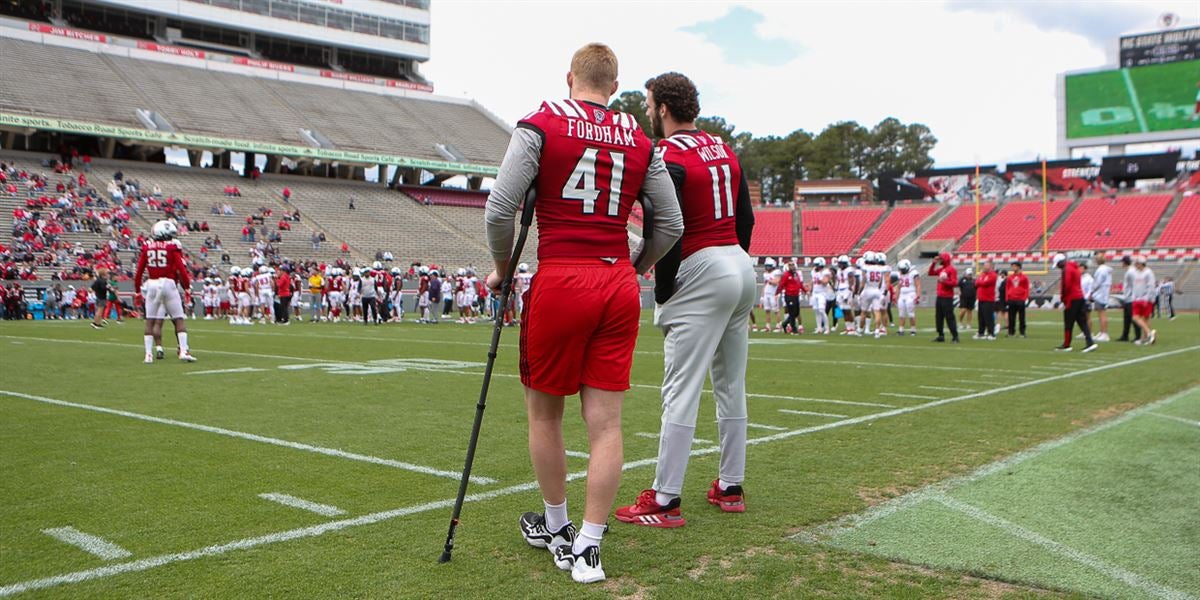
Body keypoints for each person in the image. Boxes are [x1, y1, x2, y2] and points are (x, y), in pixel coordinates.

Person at [484, 43, 682, 584]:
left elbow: (501, 207)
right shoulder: (641, 140)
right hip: (617, 281)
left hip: (562, 276)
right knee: (607, 423)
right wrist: (633, 266)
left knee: (545, 413)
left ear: (570, 77)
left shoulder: (541, 124)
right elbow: (670, 224)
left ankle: (556, 526)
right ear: (614, 88)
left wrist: (502, 268)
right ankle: (589, 547)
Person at [614, 71, 754, 533]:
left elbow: (668, 228)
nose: (648, 111)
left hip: (702, 265)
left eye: (650, 104)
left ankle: (665, 498)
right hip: (738, 262)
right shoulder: (723, 147)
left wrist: (665, 291)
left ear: (664, 108)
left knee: (680, 389)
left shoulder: (667, 155)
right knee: (731, 384)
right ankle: (731, 486)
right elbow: (747, 218)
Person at [134, 220, 195, 362]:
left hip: (151, 284)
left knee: (150, 320)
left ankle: (148, 354)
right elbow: (181, 269)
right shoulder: (172, 247)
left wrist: (137, 291)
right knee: (178, 319)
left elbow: (139, 272)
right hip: (168, 283)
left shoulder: (146, 247)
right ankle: (184, 351)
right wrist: (187, 288)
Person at [1053, 253, 1097, 353]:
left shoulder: (1067, 269)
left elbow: (1066, 285)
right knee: (1082, 321)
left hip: (1072, 298)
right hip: (1079, 297)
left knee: (1068, 322)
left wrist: (1063, 298)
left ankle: (1067, 344)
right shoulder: (1074, 267)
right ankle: (1090, 342)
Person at [928, 252, 958, 342]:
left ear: (945, 259)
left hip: (947, 297)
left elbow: (954, 283)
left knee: (949, 317)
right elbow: (930, 272)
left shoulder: (951, 270)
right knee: (939, 317)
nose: (939, 260)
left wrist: (944, 281)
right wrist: (933, 263)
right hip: (940, 296)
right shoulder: (942, 269)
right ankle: (941, 335)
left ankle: (955, 336)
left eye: (941, 258)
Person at [1129, 257, 1157, 344]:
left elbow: (1151, 286)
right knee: (1141, 318)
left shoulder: (1148, 273)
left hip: (1145, 299)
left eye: (1137, 263)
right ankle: (1147, 336)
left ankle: (1148, 334)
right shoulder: (1136, 273)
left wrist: (1147, 298)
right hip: (1137, 298)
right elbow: (1134, 286)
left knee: (1141, 318)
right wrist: (1134, 296)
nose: (1135, 265)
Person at [778, 259, 805, 334]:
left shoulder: (796, 274)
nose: (792, 267)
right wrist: (777, 293)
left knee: (796, 313)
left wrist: (805, 290)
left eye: (793, 265)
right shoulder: (786, 275)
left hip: (796, 295)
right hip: (789, 295)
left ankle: (784, 324)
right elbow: (781, 284)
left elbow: (799, 284)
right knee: (792, 313)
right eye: (790, 265)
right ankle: (794, 329)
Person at [1117, 255, 1140, 343]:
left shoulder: (1131, 272)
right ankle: (1125, 335)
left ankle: (1137, 336)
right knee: (1127, 318)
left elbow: (1134, 285)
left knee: (1133, 318)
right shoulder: (1129, 271)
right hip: (1127, 298)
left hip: (1131, 298)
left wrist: (1131, 295)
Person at [1090, 255, 1112, 341]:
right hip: (1103, 293)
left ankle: (1104, 333)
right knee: (1101, 314)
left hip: (1100, 294)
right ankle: (1102, 331)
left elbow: (1097, 283)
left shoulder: (1101, 270)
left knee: (1102, 314)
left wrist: (1092, 290)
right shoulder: (1106, 269)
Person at [974, 261, 997, 339]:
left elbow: (985, 283)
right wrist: (980, 281)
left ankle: (991, 333)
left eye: (986, 265)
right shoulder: (982, 274)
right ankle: (981, 333)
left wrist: (980, 282)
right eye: (984, 265)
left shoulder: (993, 275)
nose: (984, 267)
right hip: (981, 299)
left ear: (990, 266)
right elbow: (976, 283)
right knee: (981, 317)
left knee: (988, 317)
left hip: (988, 299)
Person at [757, 258, 781, 332]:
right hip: (767, 294)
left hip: (773, 294)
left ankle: (779, 326)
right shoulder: (765, 274)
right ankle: (768, 326)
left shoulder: (777, 272)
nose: (767, 267)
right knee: (767, 310)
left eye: (769, 266)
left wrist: (770, 281)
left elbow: (777, 282)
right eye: (766, 266)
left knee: (776, 311)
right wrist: (762, 296)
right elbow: (765, 285)